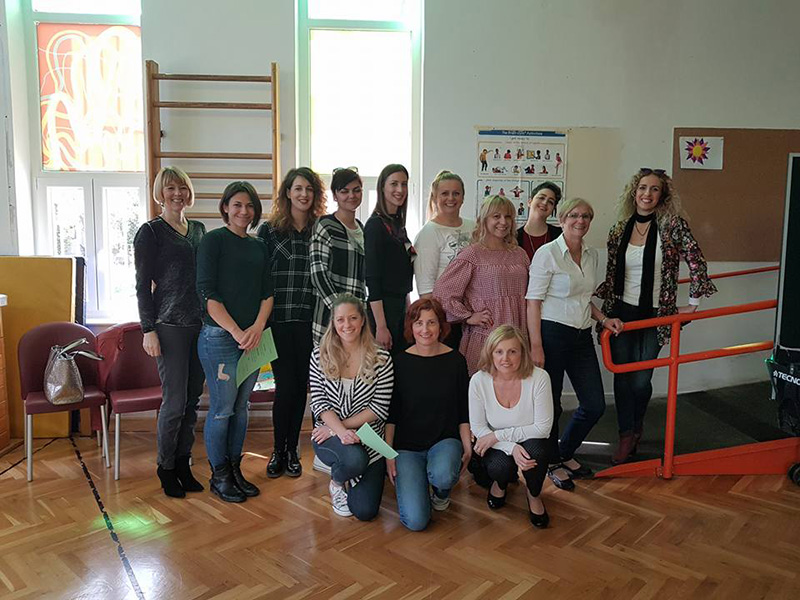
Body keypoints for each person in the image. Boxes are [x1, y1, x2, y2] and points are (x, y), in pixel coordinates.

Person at [595, 168, 717, 464]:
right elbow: (612, 273)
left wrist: (693, 303)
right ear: (634, 192)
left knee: (640, 380)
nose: (646, 194)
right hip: (621, 312)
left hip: (656, 314)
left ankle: (636, 425)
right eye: (642, 188)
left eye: (654, 189)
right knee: (622, 376)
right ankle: (626, 435)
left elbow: (696, 260)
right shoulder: (619, 228)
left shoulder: (673, 226)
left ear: (662, 195)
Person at [526, 198, 623, 492]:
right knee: (551, 405)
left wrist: (603, 318)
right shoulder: (547, 254)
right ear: (562, 218)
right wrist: (536, 345)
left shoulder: (591, 255)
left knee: (594, 404)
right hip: (552, 335)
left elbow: (583, 298)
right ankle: (551, 461)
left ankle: (564, 450)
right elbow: (533, 302)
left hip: (581, 336)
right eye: (574, 215)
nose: (580, 221)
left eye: (586, 216)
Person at [196, 181, 274, 503]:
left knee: (242, 408)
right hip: (219, 339)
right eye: (237, 204)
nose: (244, 211)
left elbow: (267, 293)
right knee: (223, 408)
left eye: (250, 205)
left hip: (253, 339)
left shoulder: (259, 246)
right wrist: (236, 331)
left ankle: (234, 468)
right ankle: (219, 475)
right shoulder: (213, 241)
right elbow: (207, 293)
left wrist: (256, 327)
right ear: (226, 207)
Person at [134, 166, 206, 499]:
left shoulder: (199, 230)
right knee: (174, 402)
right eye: (170, 188)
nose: (177, 194)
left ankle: (182, 462)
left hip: (200, 326)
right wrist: (148, 329)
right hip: (168, 326)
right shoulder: (150, 232)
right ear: (160, 194)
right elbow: (141, 286)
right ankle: (165, 467)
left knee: (192, 401)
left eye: (182, 188)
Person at [257, 167, 326, 479]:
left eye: (309, 189)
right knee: (284, 387)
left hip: (310, 323)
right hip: (278, 321)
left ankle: (292, 451)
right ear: (288, 192)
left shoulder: (320, 229)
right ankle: (278, 450)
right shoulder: (269, 231)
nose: (303, 194)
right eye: (298, 188)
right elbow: (259, 278)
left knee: (301, 389)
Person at [386, 298, 471, 531]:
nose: (425, 329)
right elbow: (391, 415)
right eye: (419, 323)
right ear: (411, 327)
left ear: (441, 326)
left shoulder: (456, 361)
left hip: (444, 441)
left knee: (443, 475)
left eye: (431, 322)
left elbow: (463, 410)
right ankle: (419, 482)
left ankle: (441, 492)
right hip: (407, 448)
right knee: (415, 521)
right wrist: (389, 455)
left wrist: (467, 447)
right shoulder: (399, 362)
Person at [308, 294, 393, 520]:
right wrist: (339, 432)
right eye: (340, 319)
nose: (347, 325)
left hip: (369, 437)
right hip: (328, 435)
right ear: (333, 323)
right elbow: (319, 402)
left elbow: (378, 409)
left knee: (365, 512)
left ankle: (351, 470)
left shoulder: (382, 358)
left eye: (353, 318)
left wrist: (338, 428)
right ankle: (337, 482)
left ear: (363, 320)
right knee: (355, 460)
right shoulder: (319, 354)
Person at [434, 195, 529, 375]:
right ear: (484, 219)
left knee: (515, 387)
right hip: (487, 336)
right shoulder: (472, 254)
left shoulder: (520, 254)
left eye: (508, 216)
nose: (503, 222)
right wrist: (468, 316)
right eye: (496, 216)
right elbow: (442, 292)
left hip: (518, 334)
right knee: (483, 386)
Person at [470, 326, 553, 528]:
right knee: (500, 466)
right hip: (499, 444)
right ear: (490, 353)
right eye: (499, 351)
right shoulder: (478, 380)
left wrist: (497, 436)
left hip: (529, 438)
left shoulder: (539, 377)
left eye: (512, 351)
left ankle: (533, 494)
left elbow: (543, 428)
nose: (505, 358)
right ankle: (500, 484)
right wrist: (511, 447)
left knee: (536, 452)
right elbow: (479, 428)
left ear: (522, 353)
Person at [413, 170, 475, 349]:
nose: (451, 198)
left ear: (463, 197)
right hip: (446, 320)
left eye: (456, 193)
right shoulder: (428, 234)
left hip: (473, 315)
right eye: (445, 193)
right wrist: (438, 322)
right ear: (434, 197)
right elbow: (426, 289)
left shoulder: (474, 227)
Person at [309, 168, 366, 345]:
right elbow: (318, 275)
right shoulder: (325, 225)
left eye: (356, 190)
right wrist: (341, 313)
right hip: (329, 318)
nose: (351, 195)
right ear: (335, 195)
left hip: (356, 321)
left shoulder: (363, 228)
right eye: (344, 191)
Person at [364, 164, 414, 352]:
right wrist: (381, 327)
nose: (400, 189)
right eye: (394, 184)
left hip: (400, 308)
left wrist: (408, 306)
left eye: (404, 184)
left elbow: (402, 273)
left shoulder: (397, 225)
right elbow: (372, 280)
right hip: (383, 312)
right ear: (382, 187)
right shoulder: (375, 226)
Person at [516, 181, 562, 261]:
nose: (545, 203)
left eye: (550, 202)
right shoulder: (513, 237)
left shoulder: (561, 236)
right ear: (529, 202)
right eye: (541, 198)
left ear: (553, 209)